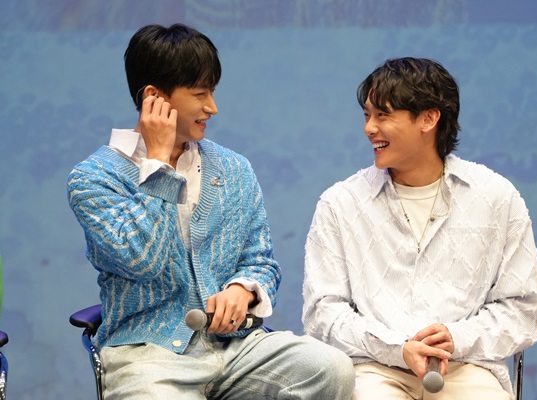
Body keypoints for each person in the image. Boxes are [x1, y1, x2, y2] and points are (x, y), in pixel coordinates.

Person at [67, 23, 354, 400]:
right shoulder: (93, 178)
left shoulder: (234, 169)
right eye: (200, 93)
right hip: (146, 357)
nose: (212, 108)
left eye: (213, 92)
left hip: (237, 349)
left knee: (331, 369)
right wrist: (158, 164)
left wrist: (242, 290)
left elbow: (261, 262)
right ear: (155, 97)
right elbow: (141, 260)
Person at [302, 57, 537, 400]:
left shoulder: (496, 197)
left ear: (429, 118)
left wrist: (456, 338)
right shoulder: (339, 203)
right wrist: (397, 348)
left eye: (383, 115)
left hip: (467, 366)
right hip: (372, 368)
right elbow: (322, 312)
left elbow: (523, 309)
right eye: (367, 115)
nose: (369, 128)